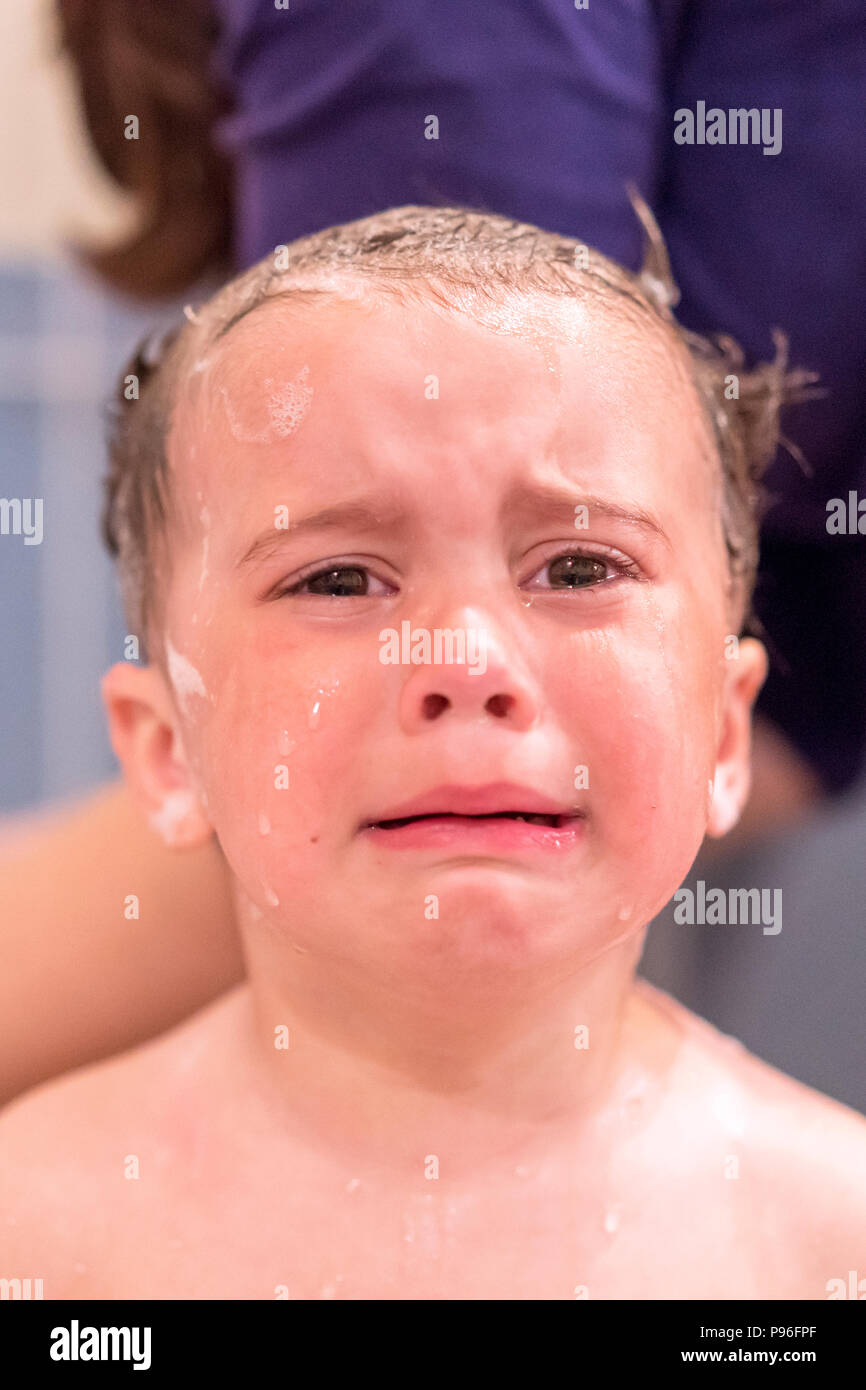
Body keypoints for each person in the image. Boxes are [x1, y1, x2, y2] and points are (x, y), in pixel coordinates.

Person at [2, 205, 864, 1299]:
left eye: (578, 567)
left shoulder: (824, 1244)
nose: (462, 657)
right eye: (337, 579)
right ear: (169, 754)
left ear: (720, 730)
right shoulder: (43, 1234)